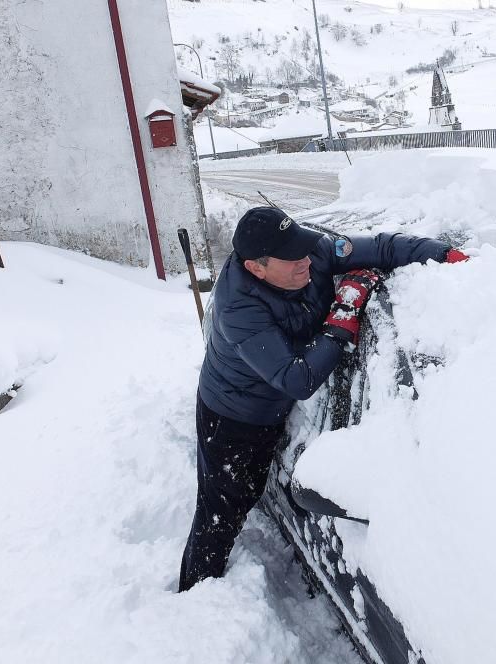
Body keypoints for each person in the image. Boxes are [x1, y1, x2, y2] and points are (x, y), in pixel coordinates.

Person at [179, 206, 468, 592]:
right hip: (232, 415)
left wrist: (442, 254)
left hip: (269, 408)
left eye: (303, 249)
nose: (306, 262)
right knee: (222, 510)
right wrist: (343, 314)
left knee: (247, 493)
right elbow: (296, 379)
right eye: (293, 258)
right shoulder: (239, 309)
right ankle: (194, 592)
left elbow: (381, 248)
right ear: (256, 268)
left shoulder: (310, 254)